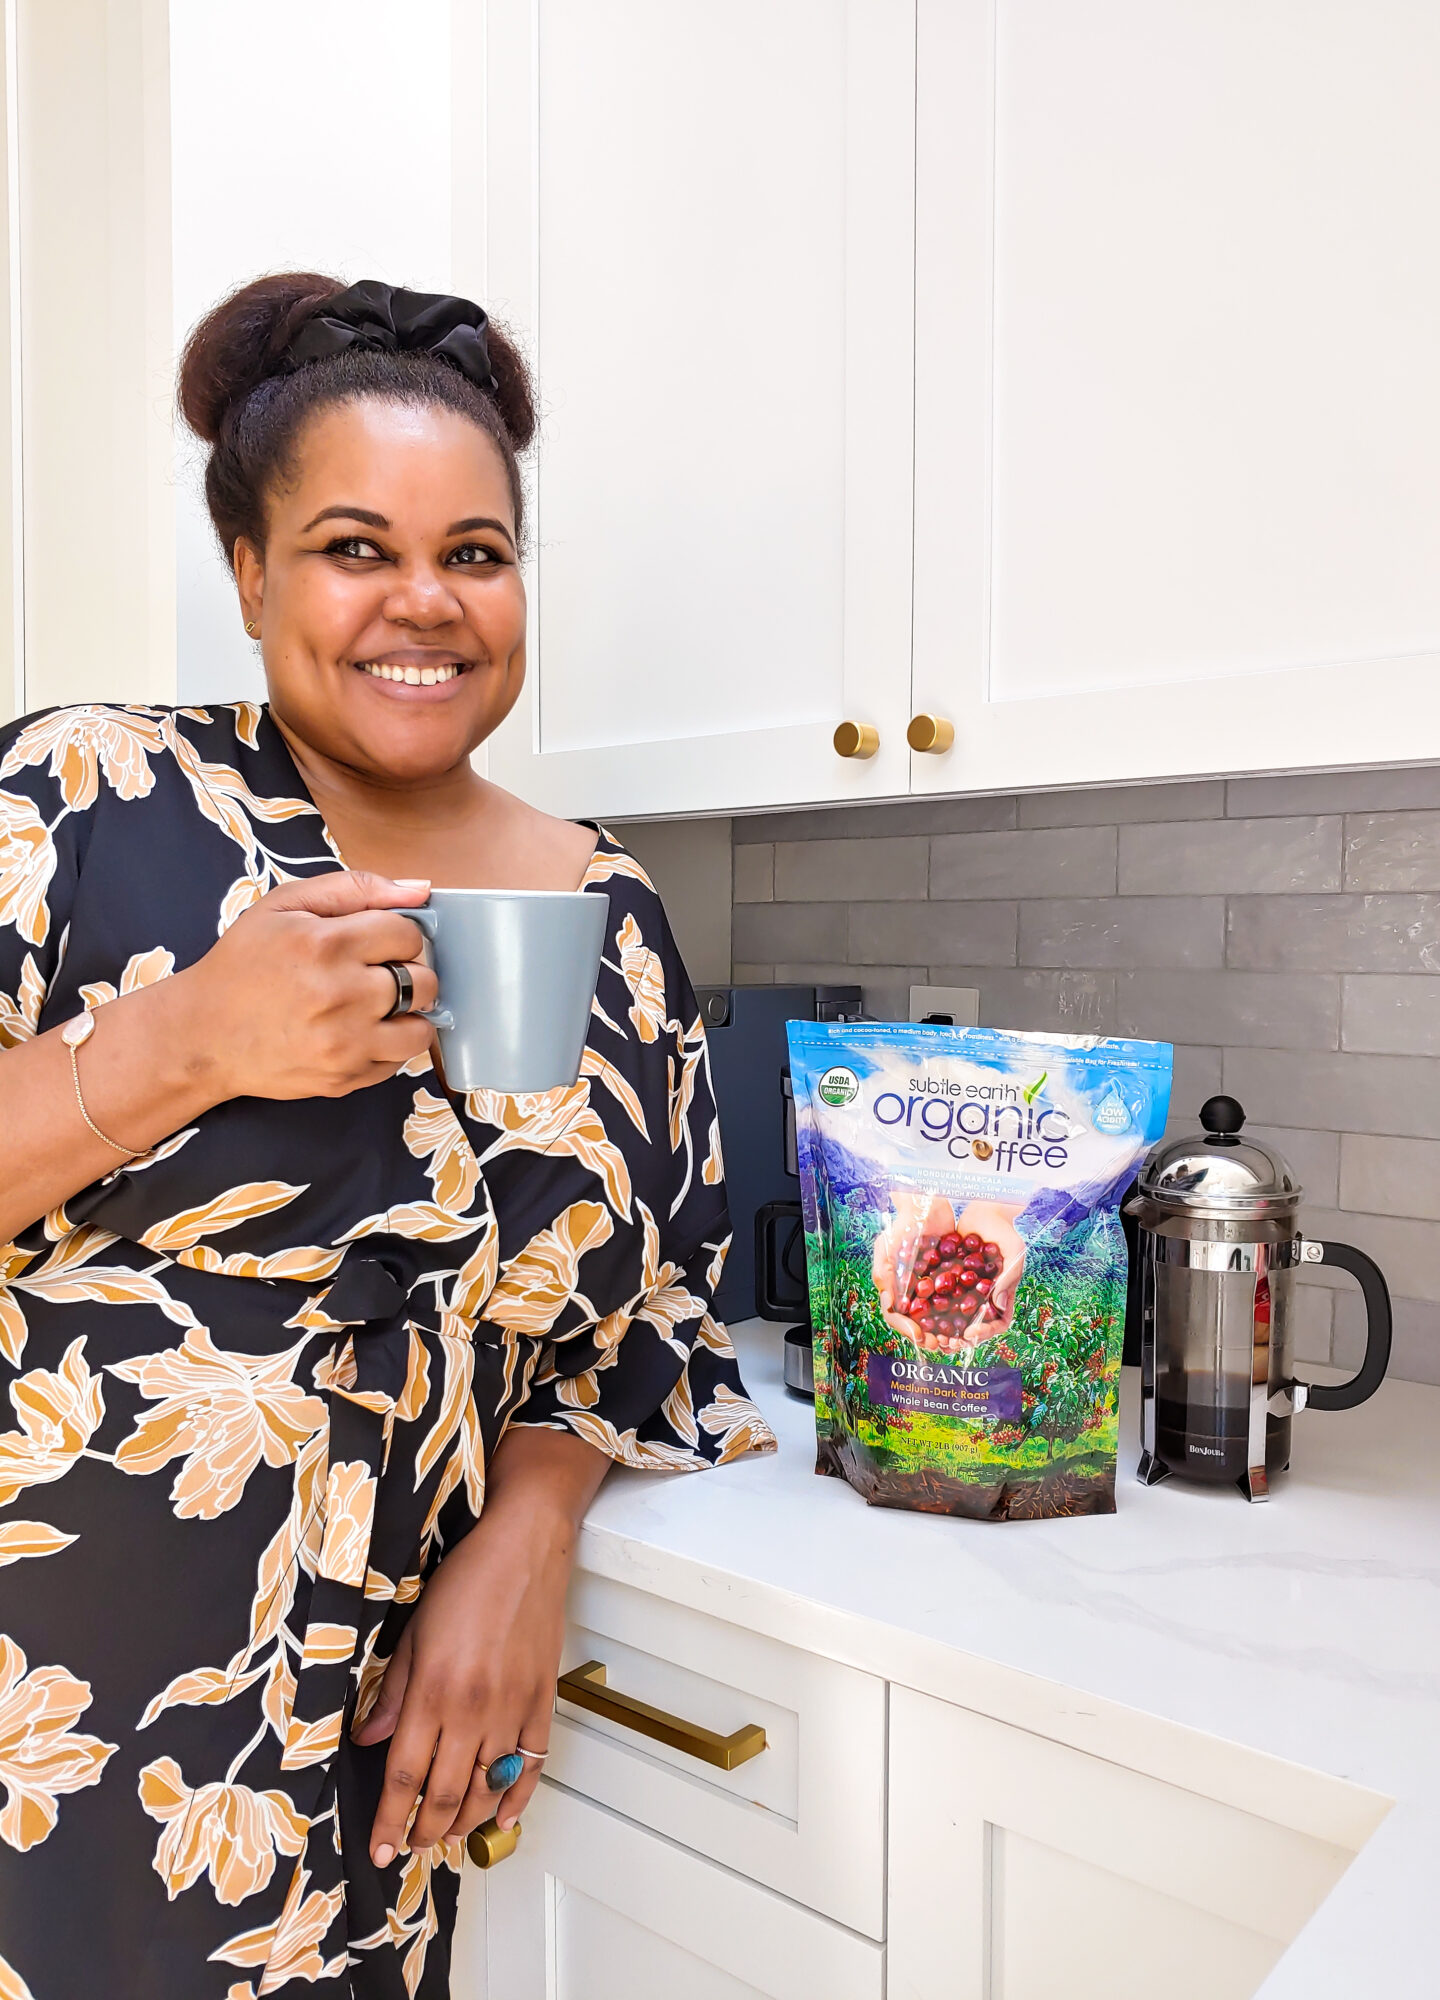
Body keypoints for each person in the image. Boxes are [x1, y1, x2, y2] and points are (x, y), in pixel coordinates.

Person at [0, 274, 774, 1998]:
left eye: (478, 554)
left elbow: (652, 1300)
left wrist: (529, 1535)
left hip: (376, 1746)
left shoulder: (613, 908)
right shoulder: (89, 799)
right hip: (48, 1719)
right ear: (252, 573)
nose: (425, 603)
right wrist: (181, 1040)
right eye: (355, 546)